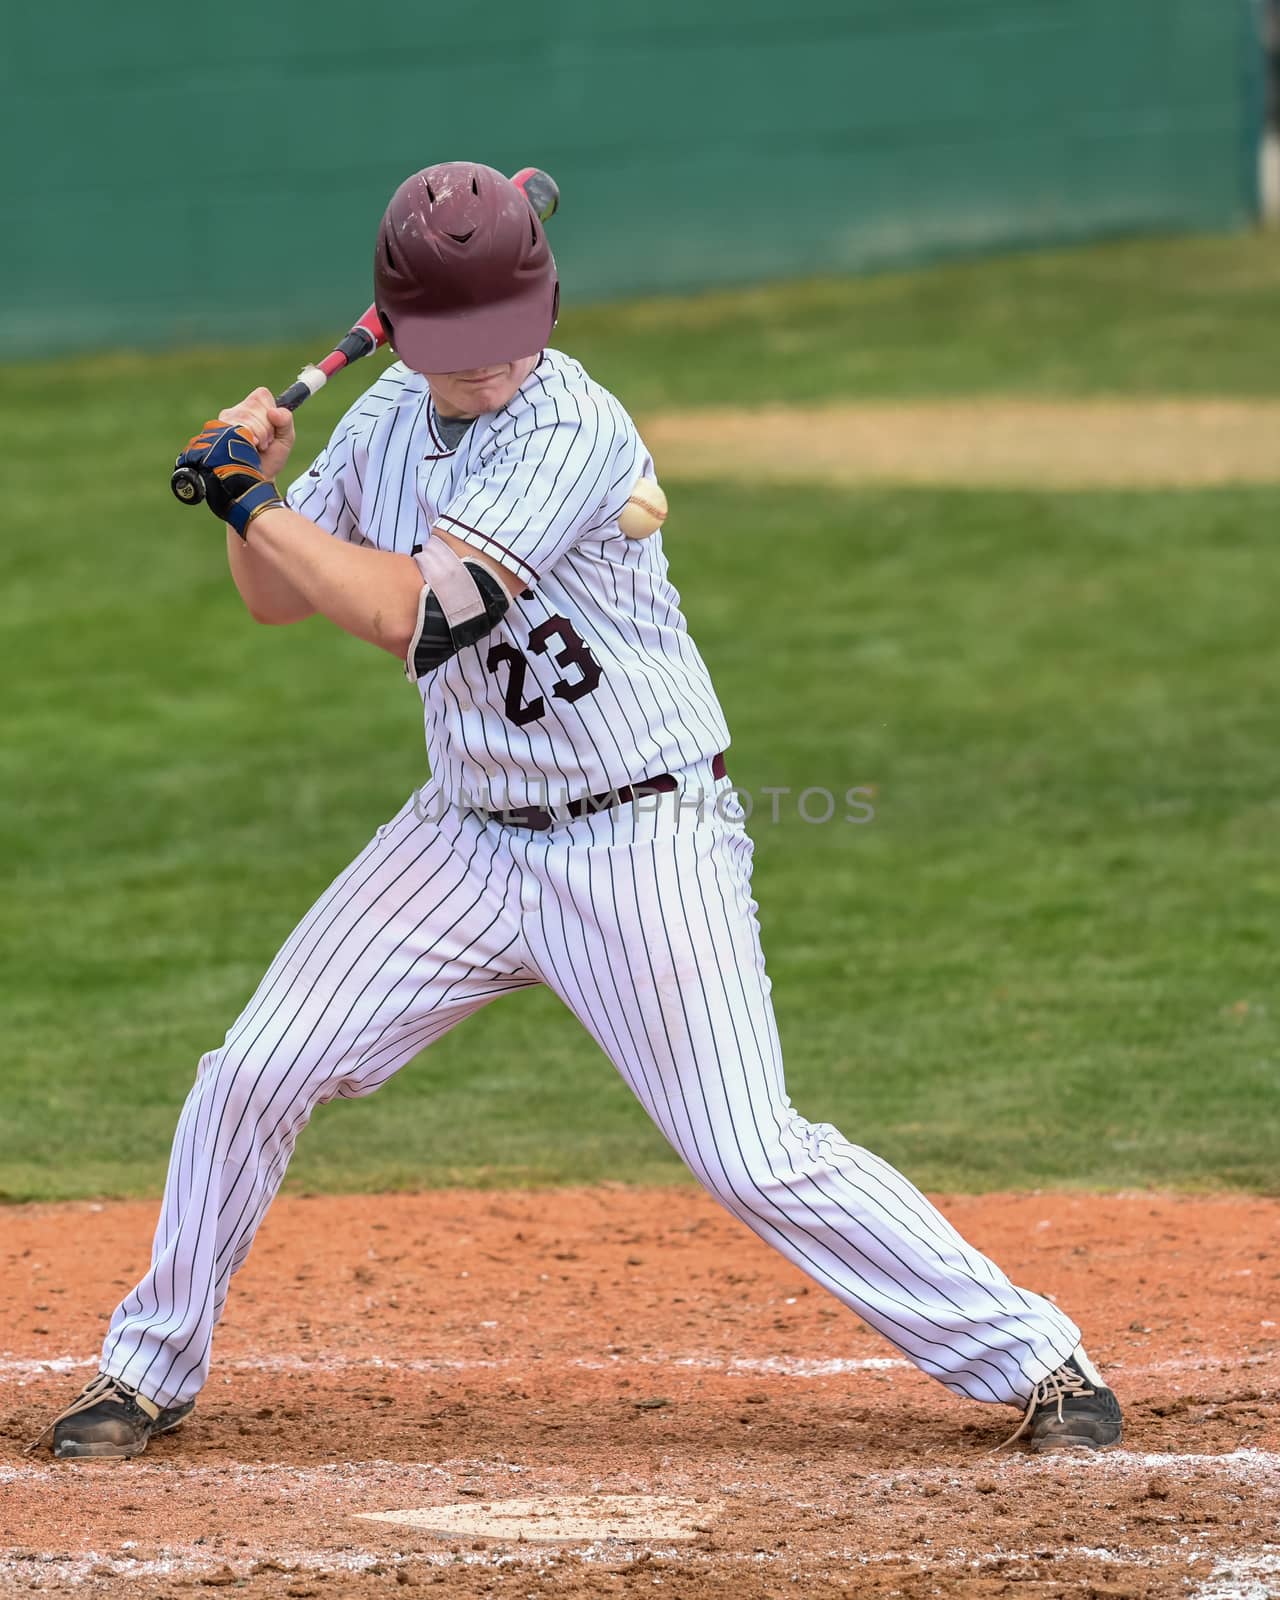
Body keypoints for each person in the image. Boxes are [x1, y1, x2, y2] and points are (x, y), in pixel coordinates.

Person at [34, 163, 1121, 1460]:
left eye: (510, 338)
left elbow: (409, 616)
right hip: (467, 833)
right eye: (465, 347)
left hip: (641, 837)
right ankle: (144, 1375)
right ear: (411, 334)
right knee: (253, 1071)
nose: (493, 367)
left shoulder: (569, 428)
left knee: (750, 1152)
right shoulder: (382, 426)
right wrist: (255, 492)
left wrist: (250, 502)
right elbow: (276, 598)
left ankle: (1043, 1362)